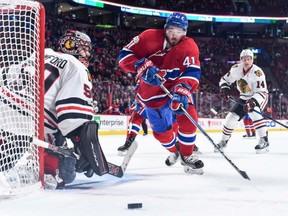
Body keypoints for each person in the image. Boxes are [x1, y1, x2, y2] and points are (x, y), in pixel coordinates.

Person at [118, 12, 204, 174]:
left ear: (185, 32)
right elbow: (123, 56)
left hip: (175, 89)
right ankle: (175, 151)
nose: (174, 35)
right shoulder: (148, 37)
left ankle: (187, 155)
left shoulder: (189, 46)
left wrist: (182, 89)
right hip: (151, 95)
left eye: (179, 31)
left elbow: (192, 71)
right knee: (161, 134)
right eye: (171, 30)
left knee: (189, 117)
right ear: (165, 28)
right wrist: (140, 65)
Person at [43, 30, 111, 189]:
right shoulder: (77, 67)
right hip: (37, 122)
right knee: (67, 172)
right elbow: (72, 117)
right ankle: (49, 170)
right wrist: (84, 150)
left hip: (6, 112)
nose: (87, 54)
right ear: (72, 47)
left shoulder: (40, 53)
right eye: (85, 49)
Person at [216, 49, 269, 153]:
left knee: (253, 112)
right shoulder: (235, 69)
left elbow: (261, 92)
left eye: (248, 59)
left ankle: (264, 140)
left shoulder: (258, 73)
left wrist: (253, 102)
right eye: (244, 59)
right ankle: (223, 141)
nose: (246, 61)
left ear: (252, 60)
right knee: (230, 118)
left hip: (258, 96)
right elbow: (224, 79)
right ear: (240, 60)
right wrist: (224, 88)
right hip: (244, 97)